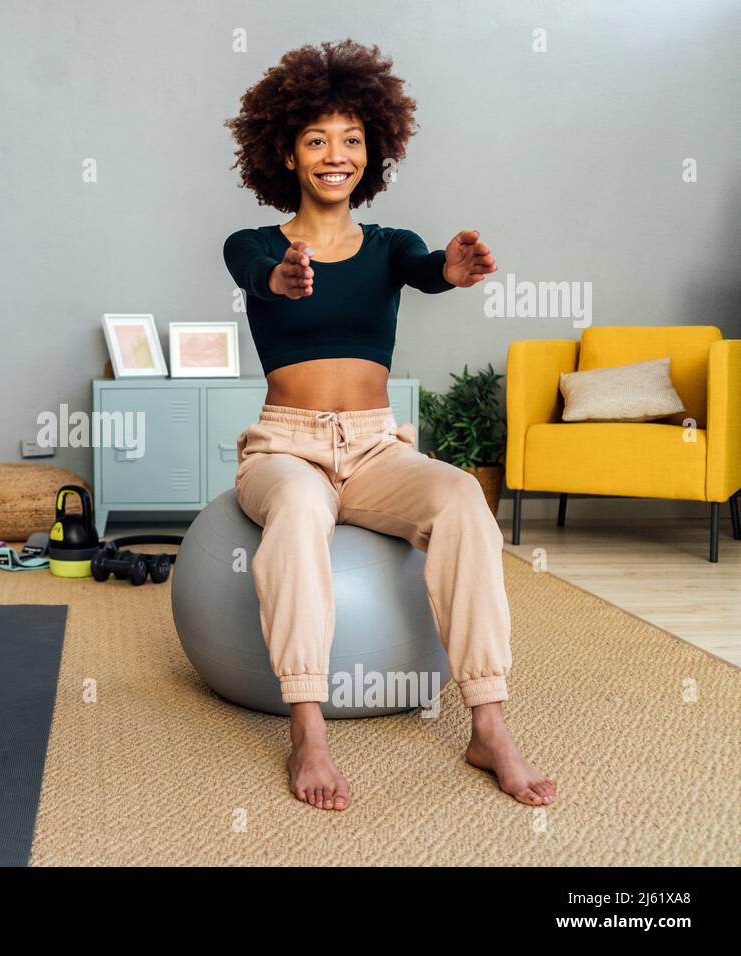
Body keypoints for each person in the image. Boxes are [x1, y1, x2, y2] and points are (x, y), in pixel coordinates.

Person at [222, 40, 555, 811]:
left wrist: (455, 268)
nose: (335, 155)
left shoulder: (389, 246)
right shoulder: (256, 246)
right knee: (303, 508)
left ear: (373, 150)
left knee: (464, 500)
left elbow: (427, 268)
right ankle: (308, 728)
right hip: (284, 446)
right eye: (316, 140)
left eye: (351, 140)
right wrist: (281, 279)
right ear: (287, 153)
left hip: (376, 446)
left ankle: (488, 723)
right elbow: (256, 278)